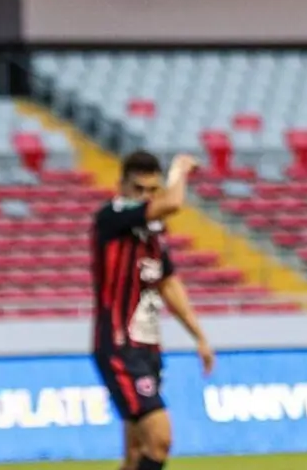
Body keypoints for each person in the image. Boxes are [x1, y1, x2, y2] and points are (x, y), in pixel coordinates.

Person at [90, 151, 215, 470]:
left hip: (147, 347)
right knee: (160, 439)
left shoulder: (154, 235)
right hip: (120, 346)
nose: (146, 197)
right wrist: (180, 170)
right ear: (121, 187)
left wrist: (199, 336)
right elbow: (173, 203)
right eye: (139, 189)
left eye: (152, 190)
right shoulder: (111, 217)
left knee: (135, 454)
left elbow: (169, 284)